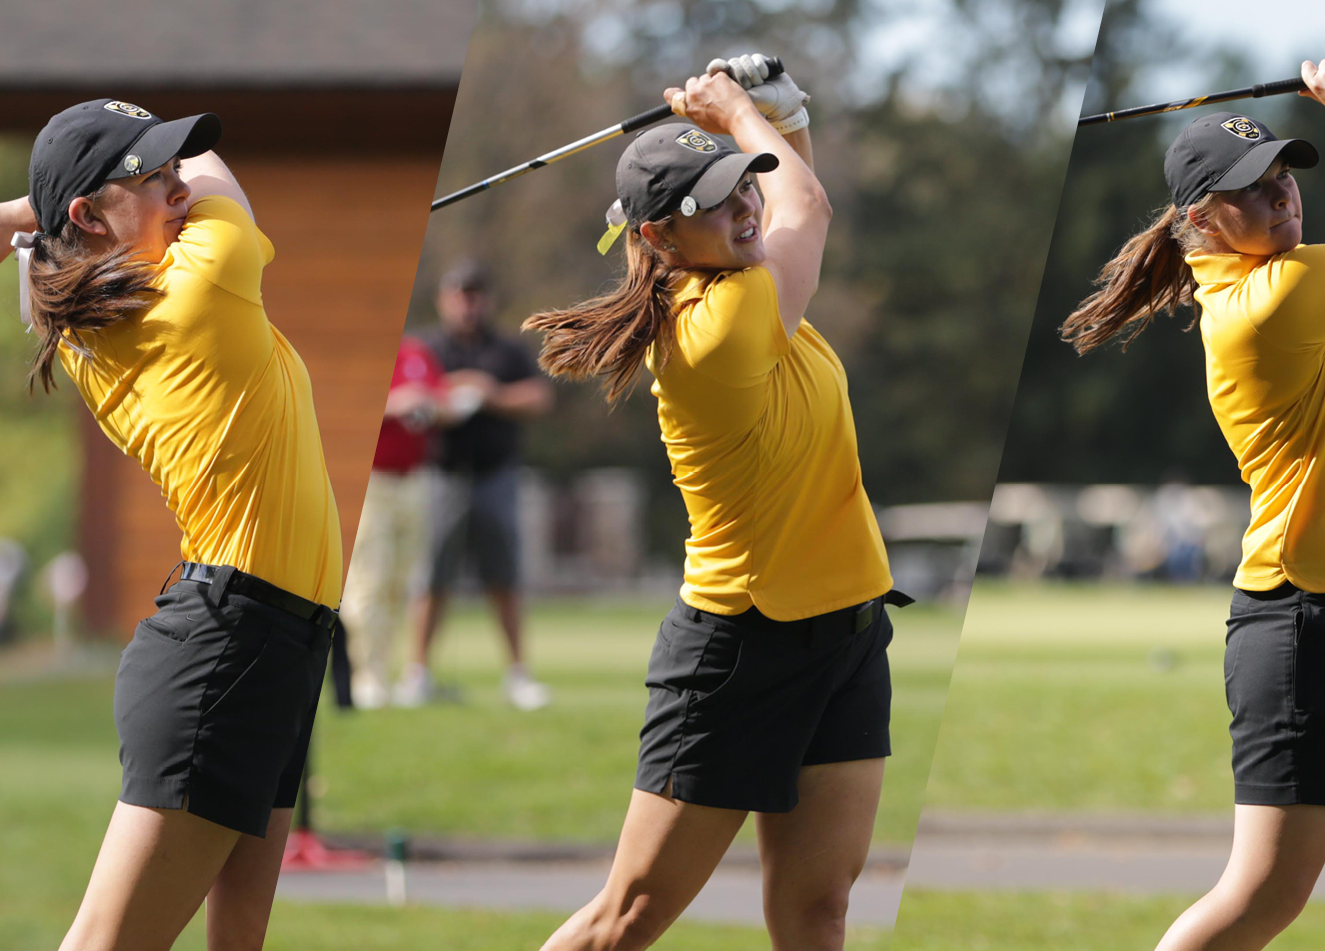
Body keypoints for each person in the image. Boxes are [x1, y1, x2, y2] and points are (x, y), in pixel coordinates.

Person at [1060, 49, 1325, 951]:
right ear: (1201, 217)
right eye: (1255, 189)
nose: (1283, 198)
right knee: (1264, 895)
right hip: (1309, 621)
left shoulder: (1302, 278)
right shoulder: (1265, 302)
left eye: (1285, 178)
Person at [0, 99, 340, 951]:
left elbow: (90, 224)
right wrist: (9, 215)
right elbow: (212, 175)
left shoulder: (78, 316)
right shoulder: (204, 286)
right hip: (230, 644)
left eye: (165, 171)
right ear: (86, 214)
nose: (174, 189)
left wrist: (21, 219)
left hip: (273, 641)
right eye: (148, 179)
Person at [523, 55, 908, 950]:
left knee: (819, 910)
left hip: (846, 631)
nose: (744, 212)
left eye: (742, 191)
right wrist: (739, 107)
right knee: (627, 917)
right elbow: (806, 207)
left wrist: (776, 113)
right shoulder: (723, 323)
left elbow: (789, 194)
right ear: (657, 239)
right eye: (714, 204)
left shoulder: (748, 289)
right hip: (740, 649)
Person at [401, 261, 554, 710]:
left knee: (503, 575)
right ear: (444, 299)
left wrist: (492, 394)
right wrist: (444, 396)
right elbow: (407, 396)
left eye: (475, 295)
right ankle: (418, 674)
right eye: (459, 295)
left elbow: (540, 396)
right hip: (441, 474)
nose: (468, 304)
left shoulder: (506, 350)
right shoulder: (425, 348)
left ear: (485, 299)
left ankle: (518, 675)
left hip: (496, 475)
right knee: (432, 575)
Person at [345, 335, 443, 709]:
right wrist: (396, 404)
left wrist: (432, 404)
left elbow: (442, 399)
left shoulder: (418, 351)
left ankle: (389, 672)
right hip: (374, 480)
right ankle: (366, 679)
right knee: (369, 580)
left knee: (400, 583)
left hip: (413, 479)